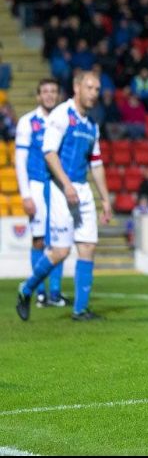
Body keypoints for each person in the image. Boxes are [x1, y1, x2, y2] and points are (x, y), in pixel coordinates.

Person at [15, 71, 113, 321]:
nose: (94, 93)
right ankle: (26, 289)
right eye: (90, 88)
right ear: (77, 87)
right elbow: (49, 153)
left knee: (88, 246)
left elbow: (97, 163)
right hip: (61, 189)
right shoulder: (62, 115)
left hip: (81, 189)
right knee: (60, 251)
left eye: (97, 89)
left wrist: (105, 198)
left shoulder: (91, 124)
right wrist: (67, 185)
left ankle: (80, 310)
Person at [14, 78, 68, 308]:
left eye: (53, 91)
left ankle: (55, 293)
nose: (49, 95)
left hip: (56, 187)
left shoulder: (62, 121)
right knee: (38, 240)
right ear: (38, 96)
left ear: (58, 95)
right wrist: (25, 195)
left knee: (59, 238)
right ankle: (39, 293)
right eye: (45, 91)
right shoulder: (27, 122)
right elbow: (20, 160)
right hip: (36, 185)